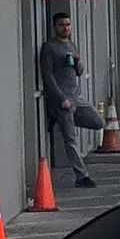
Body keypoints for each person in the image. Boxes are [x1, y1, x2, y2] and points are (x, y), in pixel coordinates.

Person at [37, 10, 94, 189]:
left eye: (68, 25)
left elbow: (79, 72)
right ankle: (82, 176)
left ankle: (57, 120)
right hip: (63, 100)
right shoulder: (49, 47)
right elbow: (48, 76)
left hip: (76, 98)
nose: (65, 28)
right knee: (71, 140)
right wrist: (61, 98)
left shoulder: (72, 45)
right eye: (61, 25)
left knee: (97, 121)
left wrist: (78, 62)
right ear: (55, 27)